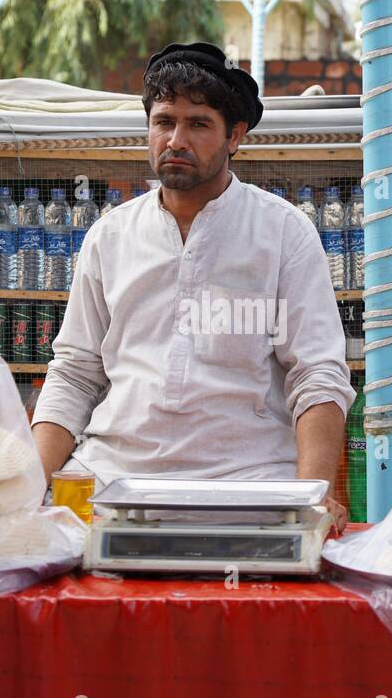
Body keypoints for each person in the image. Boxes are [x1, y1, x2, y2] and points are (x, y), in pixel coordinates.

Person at [30, 42, 355, 529]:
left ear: (235, 137)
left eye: (198, 124)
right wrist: (28, 485)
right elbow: (76, 373)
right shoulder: (110, 235)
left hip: (251, 480)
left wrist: (312, 497)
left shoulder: (283, 232)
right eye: (163, 122)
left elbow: (316, 375)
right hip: (111, 477)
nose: (176, 140)